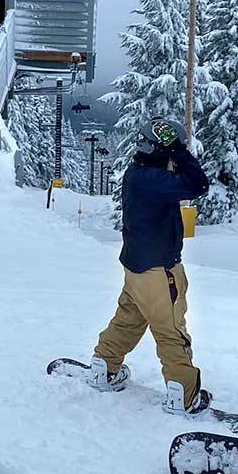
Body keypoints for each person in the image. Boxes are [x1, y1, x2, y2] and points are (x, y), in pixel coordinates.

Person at [87, 117, 212, 416]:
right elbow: (199, 184)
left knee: (128, 319)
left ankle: (105, 365)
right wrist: (179, 152)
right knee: (171, 330)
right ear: (161, 150)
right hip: (158, 271)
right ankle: (184, 395)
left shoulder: (138, 173)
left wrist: (171, 151)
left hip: (135, 268)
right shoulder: (153, 180)